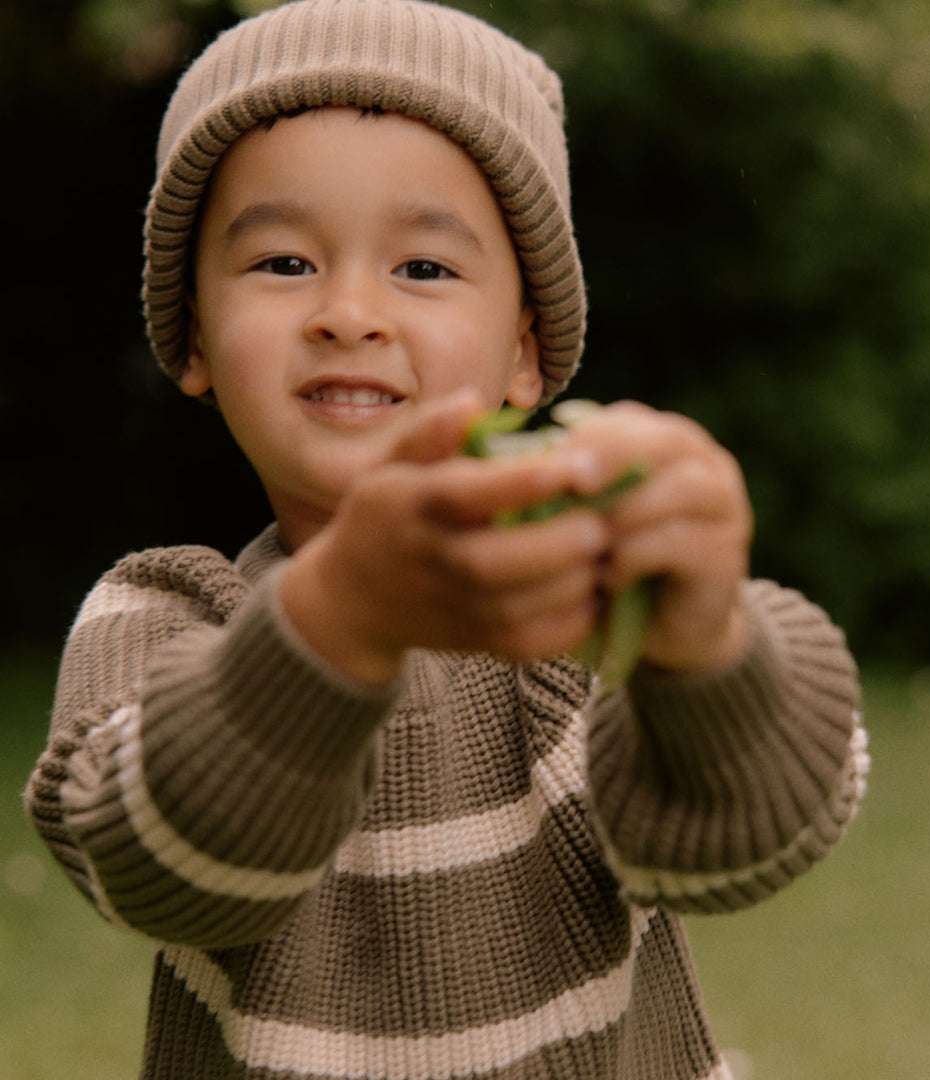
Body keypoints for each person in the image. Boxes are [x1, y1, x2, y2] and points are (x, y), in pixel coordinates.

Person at [24, 1, 870, 1078]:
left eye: (423, 269)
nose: (349, 311)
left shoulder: (585, 609)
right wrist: (338, 620)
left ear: (525, 356)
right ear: (192, 335)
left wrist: (706, 644)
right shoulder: (165, 619)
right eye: (283, 263)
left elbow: (742, 852)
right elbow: (159, 869)